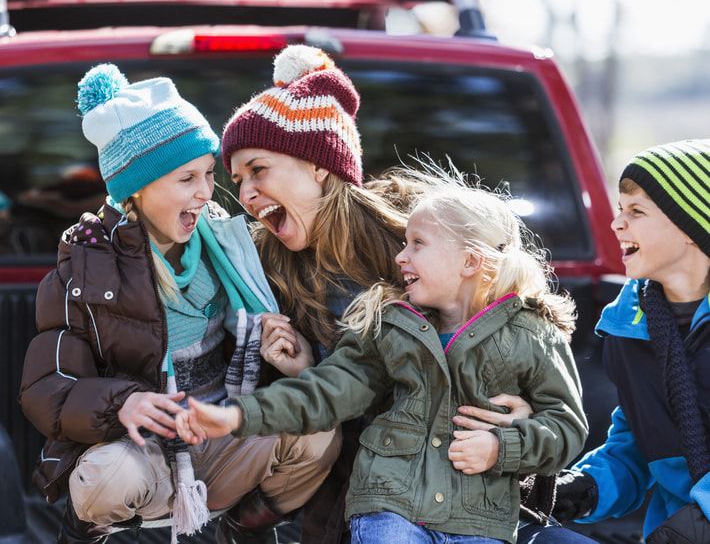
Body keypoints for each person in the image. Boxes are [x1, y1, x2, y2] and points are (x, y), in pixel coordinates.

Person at [217, 43, 596, 544]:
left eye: (258, 170)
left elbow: (499, 337)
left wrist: (520, 414)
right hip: (361, 497)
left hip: (470, 492)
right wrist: (306, 369)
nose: (244, 194)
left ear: (318, 165)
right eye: (237, 179)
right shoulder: (259, 269)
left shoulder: (419, 236)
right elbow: (326, 404)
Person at [176, 169, 590, 544]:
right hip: (390, 509)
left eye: (417, 245)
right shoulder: (389, 325)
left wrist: (502, 448)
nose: (400, 257)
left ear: (470, 261)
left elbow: (566, 427)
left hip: (478, 519)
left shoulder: (532, 333)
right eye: (404, 243)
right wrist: (240, 415)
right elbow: (329, 390)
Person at [18, 63, 340, 544]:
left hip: (221, 437)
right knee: (107, 477)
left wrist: (295, 366)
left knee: (317, 429)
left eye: (209, 174)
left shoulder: (231, 246)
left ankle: (238, 531)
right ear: (136, 189)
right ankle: (87, 535)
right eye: (186, 178)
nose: (206, 193)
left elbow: (268, 375)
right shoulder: (85, 269)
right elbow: (46, 388)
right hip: (140, 455)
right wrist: (123, 401)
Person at [551, 139, 710, 543]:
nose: (616, 224)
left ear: (692, 227)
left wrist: (696, 525)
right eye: (620, 209)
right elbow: (644, 446)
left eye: (636, 211)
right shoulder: (631, 325)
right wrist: (586, 489)